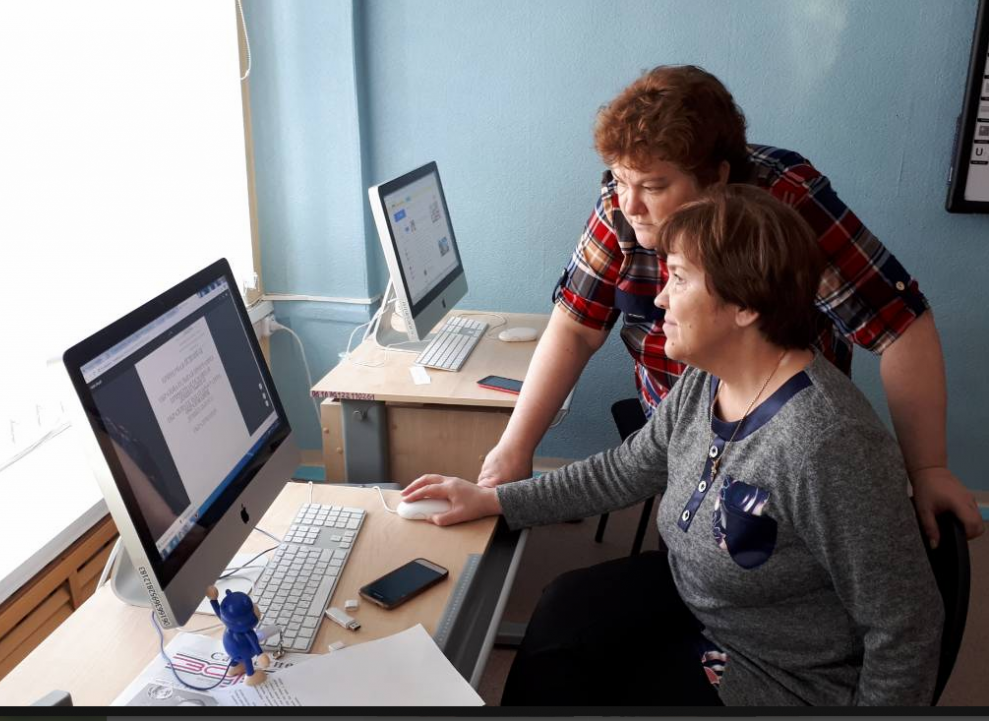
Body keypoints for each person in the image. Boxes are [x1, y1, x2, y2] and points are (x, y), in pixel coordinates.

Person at [402, 186, 943, 706]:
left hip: (776, 670)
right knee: (562, 616)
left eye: (679, 278)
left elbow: (906, 625)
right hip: (700, 603)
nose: (659, 297)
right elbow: (624, 470)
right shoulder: (707, 379)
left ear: (745, 305)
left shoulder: (828, 443)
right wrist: (495, 500)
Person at [476, 65, 983, 546]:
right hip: (675, 423)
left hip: (779, 437)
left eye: (654, 187)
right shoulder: (625, 199)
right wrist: (515, 449)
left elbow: (899, 325)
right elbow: (575, 328)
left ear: (716, 177)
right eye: (619, 180)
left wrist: (928, 469)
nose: (629, 206)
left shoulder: (785, 202)